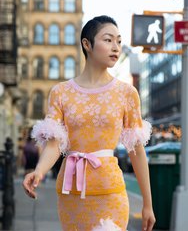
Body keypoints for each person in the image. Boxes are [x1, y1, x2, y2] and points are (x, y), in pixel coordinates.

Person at [22, 15, 156, 231]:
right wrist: (39, 171)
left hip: (110, 193)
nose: (116, 47)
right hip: (70, 195)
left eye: (119, 41)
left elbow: (137, 151)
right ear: (87, 44)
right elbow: (54, 145)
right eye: (108, 40)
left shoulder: (127, 93)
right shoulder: (60, 92)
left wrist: (148, 205)